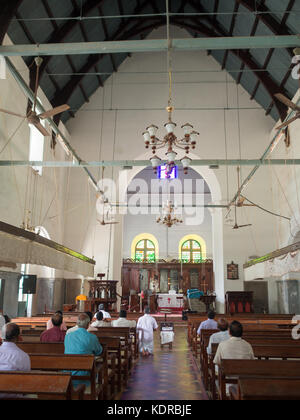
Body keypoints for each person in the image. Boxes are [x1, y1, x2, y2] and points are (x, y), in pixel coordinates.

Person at [64, 313, 103, 388]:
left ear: (77, 323)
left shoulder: (68, 336)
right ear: (88, 324)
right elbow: (99, 351)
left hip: (68, 372)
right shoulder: (92, 337)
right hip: (85, 374)